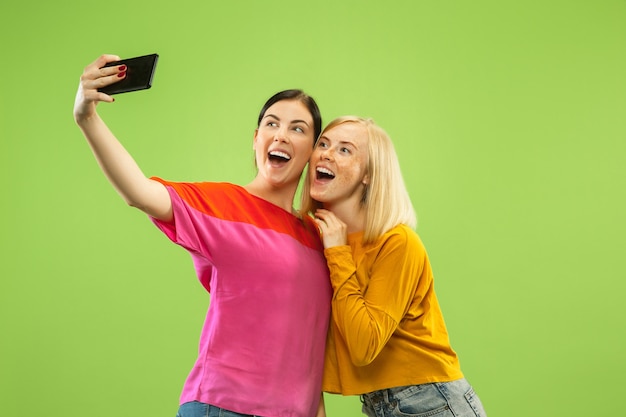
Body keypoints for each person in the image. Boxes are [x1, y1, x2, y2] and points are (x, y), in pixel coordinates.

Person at [74, 54, 332, 417]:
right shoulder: (222, 205)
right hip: (223, 407)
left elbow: (310, 347)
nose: (281, 135)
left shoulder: (318, 237)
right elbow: (137, 191)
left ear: (312, 151)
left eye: (298, 128)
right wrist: (86, 117)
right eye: (272, 124)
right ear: (256, 139)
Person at [302, 116, 487, 417]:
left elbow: (364, 346)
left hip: (431, 401)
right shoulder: (319, 240)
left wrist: (338, 252)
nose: (326, 153)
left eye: (345, 150)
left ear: (368, 175)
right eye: (323, 144)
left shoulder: (397, 242)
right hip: (382, 404)